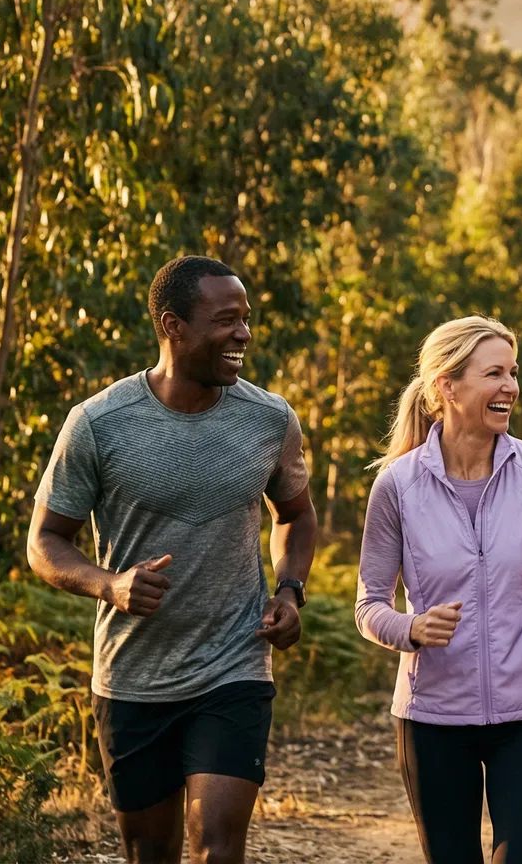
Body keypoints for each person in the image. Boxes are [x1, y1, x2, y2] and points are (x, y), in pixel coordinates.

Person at [27, 256, 318, 864]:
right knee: (150, 853)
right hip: (134, 676)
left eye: (247, 319)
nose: (243, 333)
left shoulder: (270, 419)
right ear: (174, 326)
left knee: (218, 846)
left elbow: (294, 514)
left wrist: (289, 591)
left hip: (234, 666)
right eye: (226, 320)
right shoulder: (98, 424)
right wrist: (110, 586)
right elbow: (46, 542)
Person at [354, 315, 522, 864]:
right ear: (447, 386)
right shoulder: (398, 485)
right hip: (432, 717)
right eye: (494, 374)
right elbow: (368, 604)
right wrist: (410, 628)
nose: (510, 386)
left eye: (513, 372)